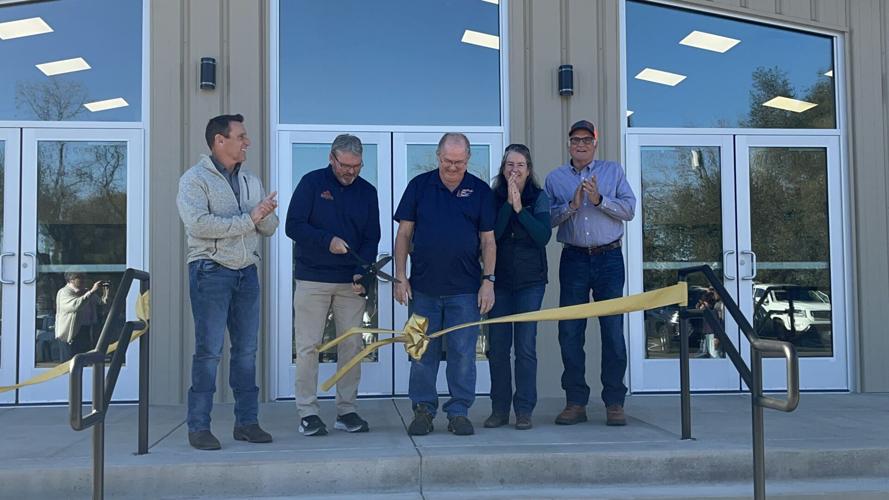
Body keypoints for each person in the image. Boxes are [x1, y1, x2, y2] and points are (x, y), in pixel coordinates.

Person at [177, 114, 279, 450]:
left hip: (247, 271)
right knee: (209, 352)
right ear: (220, 140)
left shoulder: (250, 179)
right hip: (210, 271)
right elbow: (199, 225)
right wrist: (250, 218)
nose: (247, 142)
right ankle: (198, 427)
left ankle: (247, 424)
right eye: (241, 136)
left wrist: (264, 215)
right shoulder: (194, 180)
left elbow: (269, 227)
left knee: (247, 352)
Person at [393, 132, 496, 436]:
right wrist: (401, 275)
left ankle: (459, 411)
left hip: (465, 291)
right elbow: (404, 235)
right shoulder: (419, 187)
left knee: (463, 354)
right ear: (438, 156)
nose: (453, 167)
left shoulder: (479, 191)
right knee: (421, 352)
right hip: (423, 289)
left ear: (468, 159)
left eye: (460, 162)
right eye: (448, 161)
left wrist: (488, 281)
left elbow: (488, 241)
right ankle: (423, 410)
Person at [285, 134, 380, 436]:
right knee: (308, 346)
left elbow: (371, 237)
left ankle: (346, 410)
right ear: (331, 158)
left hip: (349, 283)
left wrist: (361, 271)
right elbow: (293, 225)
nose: (350, 172)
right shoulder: (311, 183)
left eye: (356, 166)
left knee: (351, 346)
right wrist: (327, 241)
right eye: (344, 165)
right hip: (312, 278)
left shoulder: (368, 192)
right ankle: (307, 412)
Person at [544, 120, 636, 427]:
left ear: (595, 143)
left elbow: (629, 210)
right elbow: (548, 220)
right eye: (575, 140)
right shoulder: (555, 178)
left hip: (609, 257)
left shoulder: (613, 171)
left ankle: (614, 402)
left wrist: (599, 200)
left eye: (586, 140)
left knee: (612, 331)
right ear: (568, 144)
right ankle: (575, 402)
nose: (580, 145)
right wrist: (572, 205)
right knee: (570, 332)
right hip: (573, 260)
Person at [483, 144, 551, 431]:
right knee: (498, 348)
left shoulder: (540, 197)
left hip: (530, 283)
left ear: (529, 169)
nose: (514, 170)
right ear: (503, 168)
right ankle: (499, 409)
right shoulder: (492, 197)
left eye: (520, 165)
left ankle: (524, 410)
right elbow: (492, 236)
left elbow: (543, 236)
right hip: (499, 283)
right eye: (509, 164)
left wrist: (521, 209)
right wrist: (508, 206)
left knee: (525, 347)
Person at [55, 272, 110, 358]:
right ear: (71, 280)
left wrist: (106, 291)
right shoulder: (64, 292)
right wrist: (91, 291)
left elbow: (102, 303)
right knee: (69, 364)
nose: (83, 280)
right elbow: (75, 306)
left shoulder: (85, 291)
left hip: (85, 329)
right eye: (80, 278)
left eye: (84, 278)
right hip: (70, 333)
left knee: (84, 361)